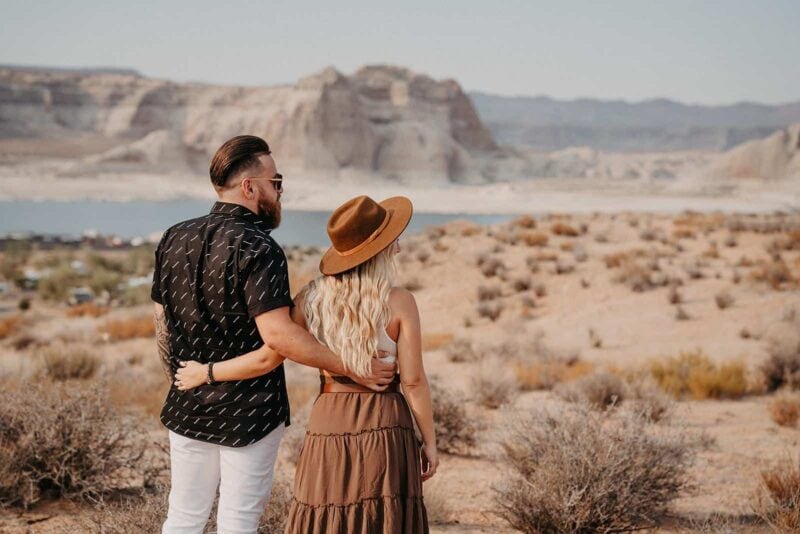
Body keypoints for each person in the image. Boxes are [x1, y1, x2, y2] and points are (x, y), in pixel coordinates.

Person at [151, 135, 396, 534]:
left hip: (186, 404)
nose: (280, 193)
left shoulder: (174, 237)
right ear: (250, 187)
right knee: (238, 522)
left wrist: (180, 383)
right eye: (276, 183)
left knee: (182, 517)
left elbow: (161, 323)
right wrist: (353, 366)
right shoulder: (259, 247)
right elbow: (279, 336)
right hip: (249, 414)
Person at [176, 194, 438, 533]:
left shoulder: (311, 298)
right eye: (394, 240)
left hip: (329, 420)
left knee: (327, 514)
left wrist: (206, 372)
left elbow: (268, 357)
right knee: (381, 516)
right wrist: (429, 441)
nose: (399, 248)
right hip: (385, 421)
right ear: (378, 249)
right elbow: (414, 381)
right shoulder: (400, 302)